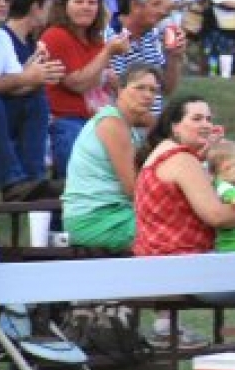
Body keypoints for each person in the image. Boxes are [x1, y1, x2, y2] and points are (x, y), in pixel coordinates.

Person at [133, 95, 235, 352]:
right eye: (196, 118)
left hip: (161, 267)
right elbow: (218, 217)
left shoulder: (160, 155)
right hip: (184, 271)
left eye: (209, 118)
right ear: (175, 126)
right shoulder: (181, 160)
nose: (206, 124)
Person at [62, 63, 162, 251]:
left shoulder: (127, 123)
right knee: (174, 230)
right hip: (96, 219)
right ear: (120, 89)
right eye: (140, 88)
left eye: (153, 90)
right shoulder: (112, 123)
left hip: (116, 214)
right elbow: (133, 189)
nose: (148, 95)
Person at [40, 0, 131, 178]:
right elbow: (77, 83)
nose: (86, 7)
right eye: (79, 1)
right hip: (66, 122)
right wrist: (108, 52)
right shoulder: (55, 35)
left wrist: (113, 80)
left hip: (98, 119)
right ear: (64, 6)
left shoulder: (95, 39)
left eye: (92, 2)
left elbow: (101, 79)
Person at [0, 0, 65, 203]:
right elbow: (11, 83)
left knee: (35, 98)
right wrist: (25, 78)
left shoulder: (0, 38)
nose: (2, 3)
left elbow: (16, 86)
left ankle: (34, 179)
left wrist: (35, 76)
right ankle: (12, 182)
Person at [106, 0, 185, 117]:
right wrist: (155, 129)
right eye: (155, 4)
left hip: (150, 128)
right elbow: (120, 95)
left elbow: (166, 89)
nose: (162, 11)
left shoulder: (152, 35)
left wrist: (173, 57)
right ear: (135, 6)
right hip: (121, 127)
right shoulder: (109, 38)